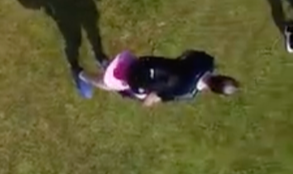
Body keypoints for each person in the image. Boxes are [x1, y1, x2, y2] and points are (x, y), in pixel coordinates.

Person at [79, 49, 237, 103]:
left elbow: (187, 54)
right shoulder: (188, 92)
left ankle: (105, 63)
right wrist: (147, 103)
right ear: (215, 91)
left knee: (127, 66)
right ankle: (81, 76)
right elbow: (155, 96)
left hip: (146, 62)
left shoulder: (206, 61)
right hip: (139, 81)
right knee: (111, 84)